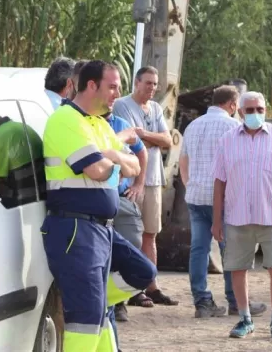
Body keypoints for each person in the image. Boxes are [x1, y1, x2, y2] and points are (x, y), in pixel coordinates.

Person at [41, 60, 141, 351]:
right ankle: (90, 300)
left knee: (141, 273)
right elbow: (96, 170)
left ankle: (94, 299)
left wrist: (112, 156)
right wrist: (115, 162)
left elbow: (134, 165)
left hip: (100, 230)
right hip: (75, 228)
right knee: (86, 319)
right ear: (92, 85)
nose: (117, 94)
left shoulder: (98, 124)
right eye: (113, 87)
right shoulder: (66, 120)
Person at [212, 91, 272, 341]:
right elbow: (219, 182)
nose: (255, 114)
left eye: (260, 109)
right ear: (240, 112)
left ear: (266, 110)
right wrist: (216, 220)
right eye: (250, 110)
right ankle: (245, 318)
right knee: (237, 269)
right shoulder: (227, 140)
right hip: (237, 217)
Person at [179, 85, 267, 319]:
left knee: (199, 249)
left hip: (196, 197)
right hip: (224, 199)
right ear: (232, 105)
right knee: (232, 250)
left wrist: (191, 185)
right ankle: (236, 301)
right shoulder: (234, 127)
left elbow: (183, 162)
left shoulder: (192, 126)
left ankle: (202, 302)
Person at [112, 66, 178, 307]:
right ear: (136, 83)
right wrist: (150, 138)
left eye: (155, 83)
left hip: (153, 179)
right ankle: (130, 289)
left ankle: (152, 286)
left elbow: (167, 140)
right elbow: (131, 140)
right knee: (129, 235)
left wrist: (145, 135)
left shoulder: (156, 108)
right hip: (131, 182)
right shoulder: (122, 105)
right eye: (148, 83)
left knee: (150, 234)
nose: (152, 88)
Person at [104, 109, 148, 324]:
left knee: (132, 246)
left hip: (121, 198)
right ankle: (111, 303)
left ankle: (119, 300)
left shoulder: (121, 124)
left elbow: (141, 153)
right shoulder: (83, 123)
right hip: (98, 199)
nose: (113, 97)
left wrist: (139, 184)